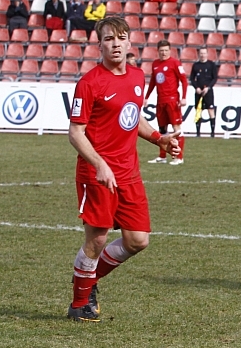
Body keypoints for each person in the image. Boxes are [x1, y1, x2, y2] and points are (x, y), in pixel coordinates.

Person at [66, 16, 180, 322]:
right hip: (97, 174)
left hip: (128, 172)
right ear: (100, 45)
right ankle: (79, 303)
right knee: (97, 240)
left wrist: (158, 137)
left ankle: (88, 278)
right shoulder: (90, 83)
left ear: (129, 42)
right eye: (108, 39)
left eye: (120, 38)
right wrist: (99, 164)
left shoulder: (137, 77)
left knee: (138, 240)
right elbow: (75, 132)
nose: (115, 44)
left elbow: (132, 117)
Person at [145, 40, 188, 165]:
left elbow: (184, 80)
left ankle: (179, 157)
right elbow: (153, 82)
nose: (163, 53)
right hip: (160, 100)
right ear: (158, 51)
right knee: (162, 129)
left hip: (172, 100)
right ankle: (162, 157)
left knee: (176, 128)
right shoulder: (155, 64)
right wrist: (146, 97)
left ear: (170, 51)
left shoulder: (175, 63)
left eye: (166, 50)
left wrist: (184, 97)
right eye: (161, 51)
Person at [189, 48, 218, 137]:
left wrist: (208, 87)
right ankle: (198, 133)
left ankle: (212, 133)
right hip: (198, 92)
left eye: (204, 53)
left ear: (207, 54)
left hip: (208, 92)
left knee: (211, 110)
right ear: (199, 54)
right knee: (198, 111)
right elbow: (192, 79)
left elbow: (215, 78)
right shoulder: (196, 65)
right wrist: (196, 87)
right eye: (201, 53)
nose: (202, 55)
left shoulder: (211, 64)